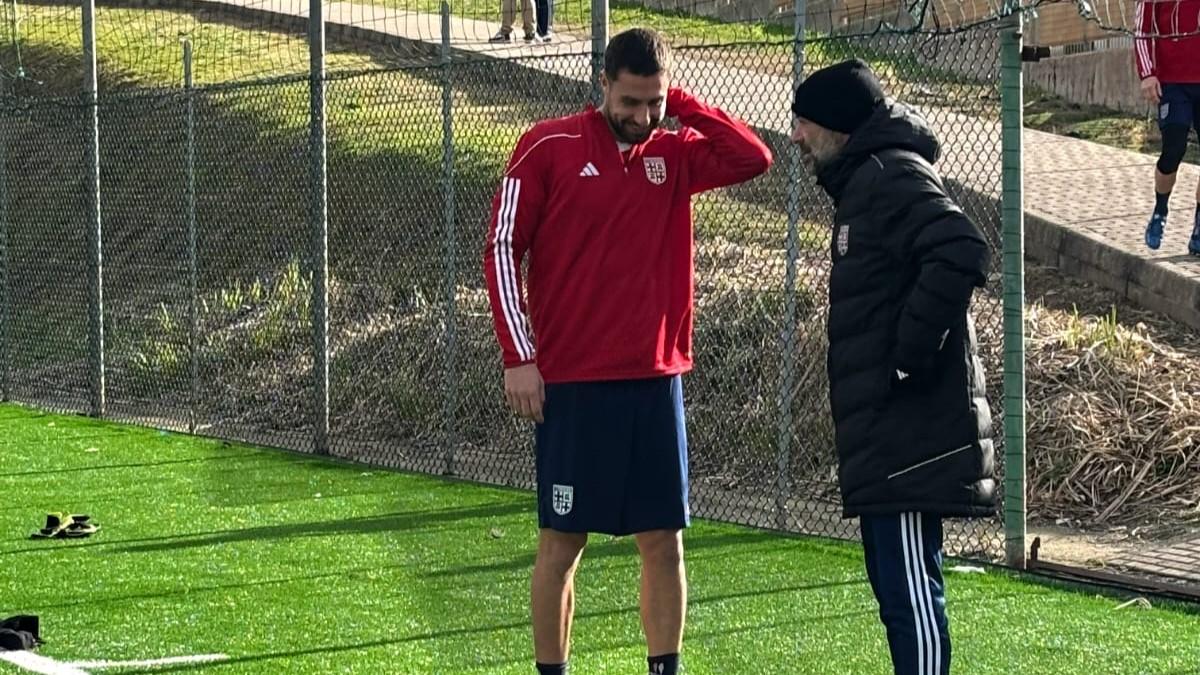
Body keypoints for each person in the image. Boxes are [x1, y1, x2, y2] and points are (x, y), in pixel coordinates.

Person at [482, 27, 772, 675]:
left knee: (663, 540)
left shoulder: (674, 147)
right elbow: (503, 248)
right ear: (603, 84)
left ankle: (664, 668)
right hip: (573, 382)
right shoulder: (546, 145)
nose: (642, 117)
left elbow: (754, 157)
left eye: (654, 102)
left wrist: (684, 106)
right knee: (563, 540)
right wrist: (518, 354)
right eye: (631, 101)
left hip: (654, 379)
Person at [789, 59, 995, 675]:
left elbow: (962, 250)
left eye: (804, 122)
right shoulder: (862, 180)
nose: (795, 135)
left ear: (839, 126)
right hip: (885, 435)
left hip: (911, 435)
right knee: (895, 591)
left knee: (911, 595)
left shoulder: (889, 174)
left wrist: (910, 355)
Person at [1134, 0, 1200, 256]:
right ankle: (1160, 210)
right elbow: (1142, 30)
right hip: (1173, 82)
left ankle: (1198, 225)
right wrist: (1147, 73)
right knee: (1174, 149)